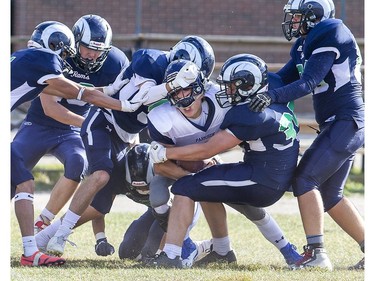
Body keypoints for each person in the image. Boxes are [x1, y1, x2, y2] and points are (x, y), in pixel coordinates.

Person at [43, 35, 214, 257]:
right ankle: (58, 235)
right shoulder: (150, 60)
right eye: (186, 81)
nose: (188, 91)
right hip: (105, 121)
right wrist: (173, 83)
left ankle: (43, 237)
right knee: (101, 177)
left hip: (128, 136)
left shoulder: (183, 94)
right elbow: (144, 97)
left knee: (107, 208)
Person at [146, 54, 301, 269]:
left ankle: (171, 256)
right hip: (270, 172)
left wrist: (166, 153)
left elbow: (209, 149)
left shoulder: (249, 114)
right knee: (207, 186)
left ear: (247, 86)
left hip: (262, 178)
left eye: (231, 86)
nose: (225, 92)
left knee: (186, 187)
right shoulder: (270, 94)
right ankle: (284, 251)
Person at [247, 0, 364, 270]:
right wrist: (252, 83)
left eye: (297, 17)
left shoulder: (331, 32)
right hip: (338, 123)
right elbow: (283, 78)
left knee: (304, 179)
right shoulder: (304, 43)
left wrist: (270, 97)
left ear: (315, 16)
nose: (292, 22)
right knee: (331, 193)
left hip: (346, 120)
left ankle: (316, 253)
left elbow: (308, 82)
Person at [11, 14, 129, 235]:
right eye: (86, 48)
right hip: (39, 123)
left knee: (78, 162)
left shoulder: (116, 62)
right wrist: (91, 124)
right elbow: (50, 107)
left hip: (73, 130)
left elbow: (121, 98)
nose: (92, 55)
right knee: (12, 171)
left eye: (99, 50)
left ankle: (43, 222)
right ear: (74, 43)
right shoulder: (59, 55)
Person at [35, 143, 211, 267]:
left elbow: (179, 203)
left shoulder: (165, 170)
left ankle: (195, 247)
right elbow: (98, 209)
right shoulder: (117, 175)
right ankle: (45, 237)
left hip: (176, 212)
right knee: (128, 252)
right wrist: (100, 238)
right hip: (155, 212)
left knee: (153, 251)